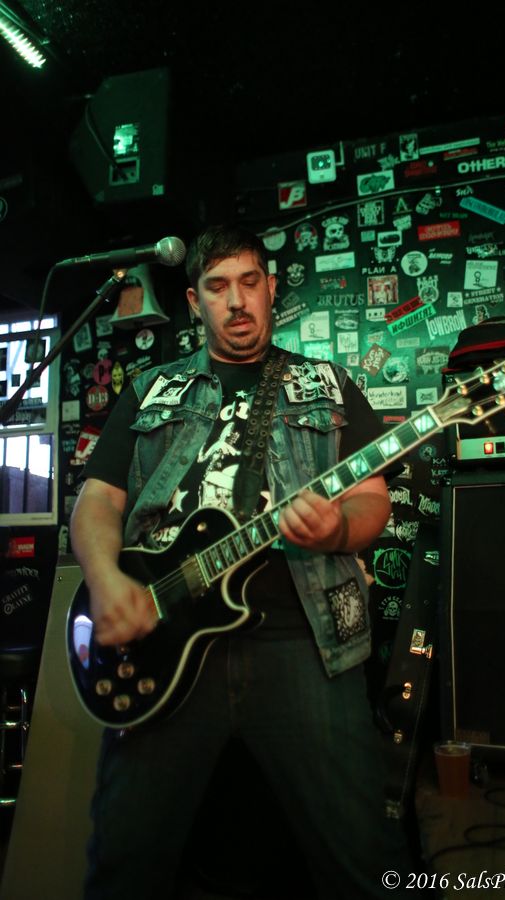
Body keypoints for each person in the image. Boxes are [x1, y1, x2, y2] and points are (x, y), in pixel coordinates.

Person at [70, 223, 419, 900]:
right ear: (195, 301)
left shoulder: (328, 383)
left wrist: (336, 529)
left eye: (250, 282)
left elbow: (372, 500)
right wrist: (105, 579)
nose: (237, 301)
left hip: (304, 642)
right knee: (124, 861)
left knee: (363, 860)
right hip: (165, 642)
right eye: (218, 287)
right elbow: (98, 501)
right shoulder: (149, 390)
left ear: (271, 289)